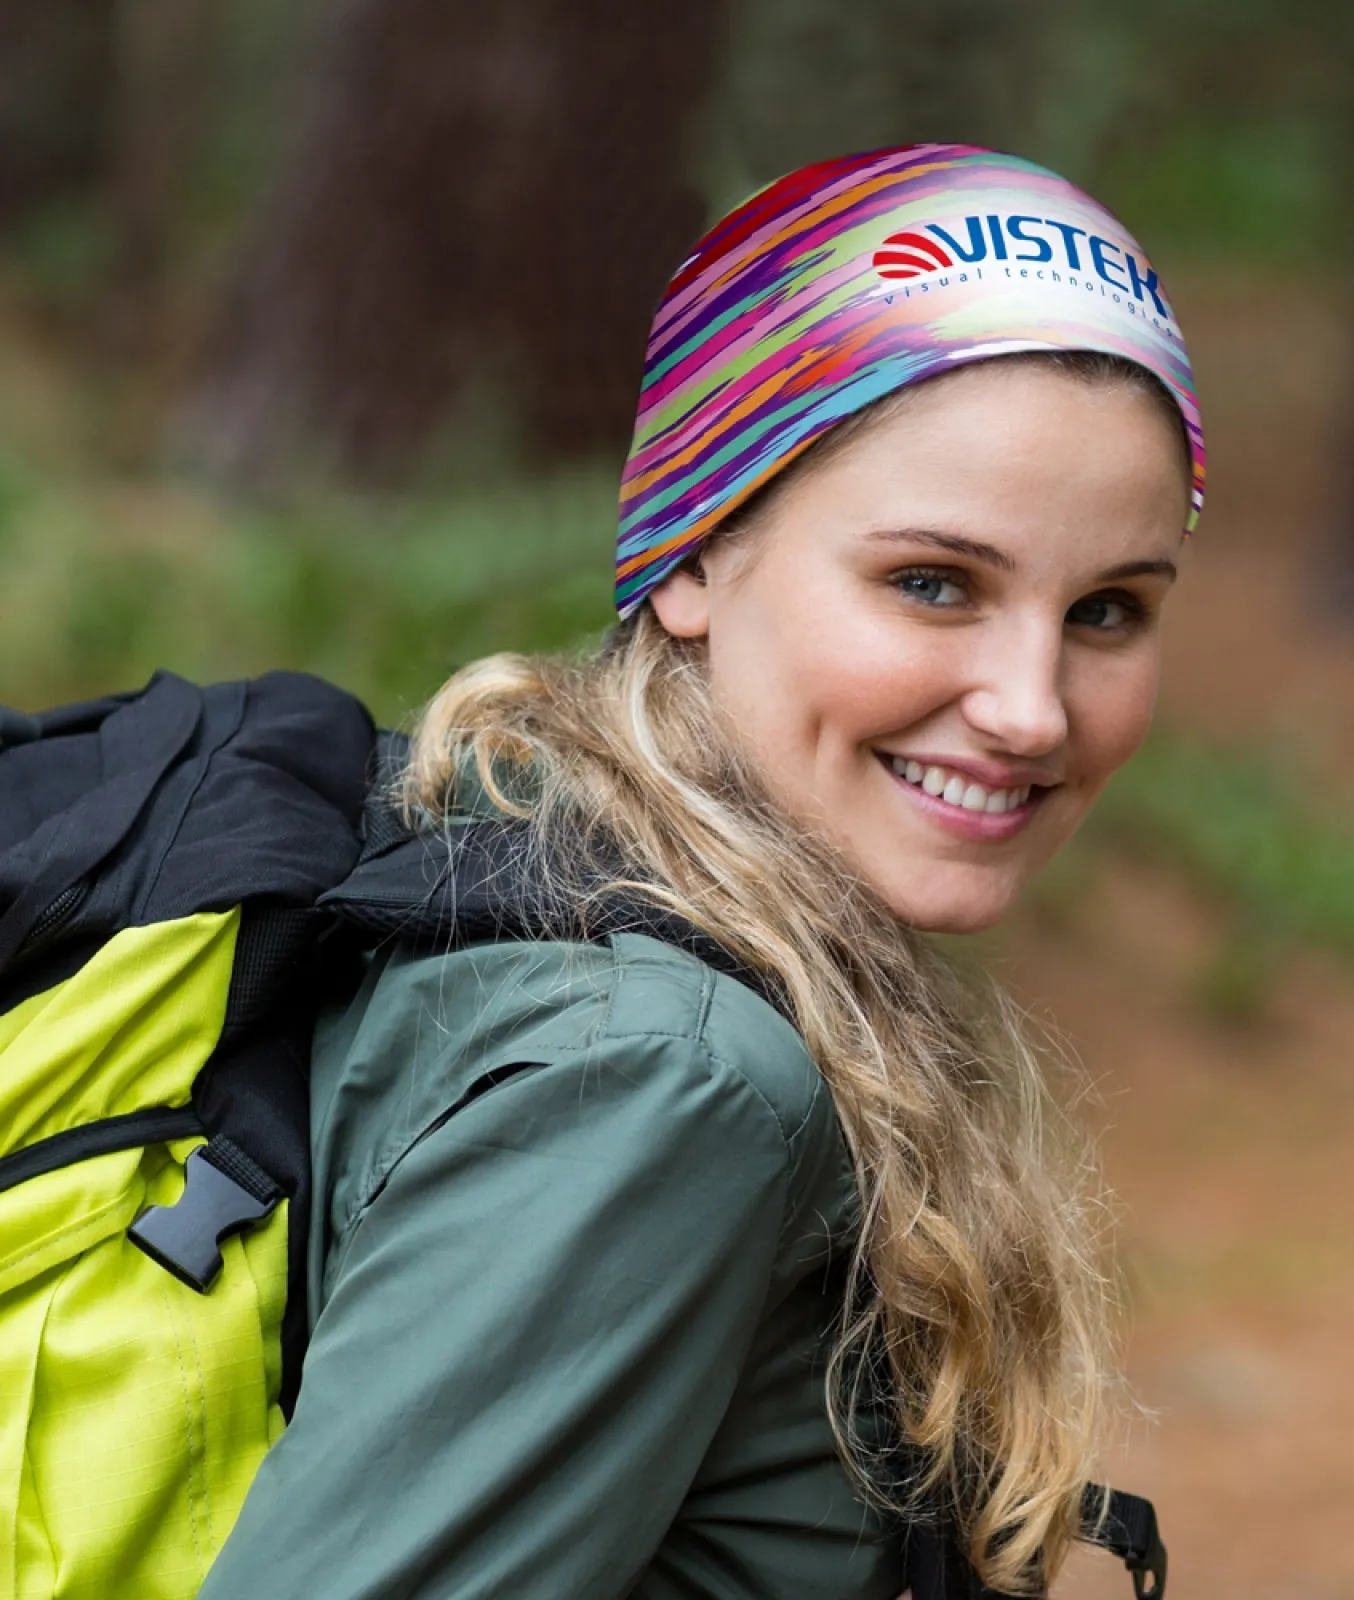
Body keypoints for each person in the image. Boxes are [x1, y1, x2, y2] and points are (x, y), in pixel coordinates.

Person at [197, 143, 1204, 1599]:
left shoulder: (531, 853)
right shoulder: (665, 1073)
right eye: (933, 584)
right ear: (691, 553)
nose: (1032, 708)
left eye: (1107, 610)